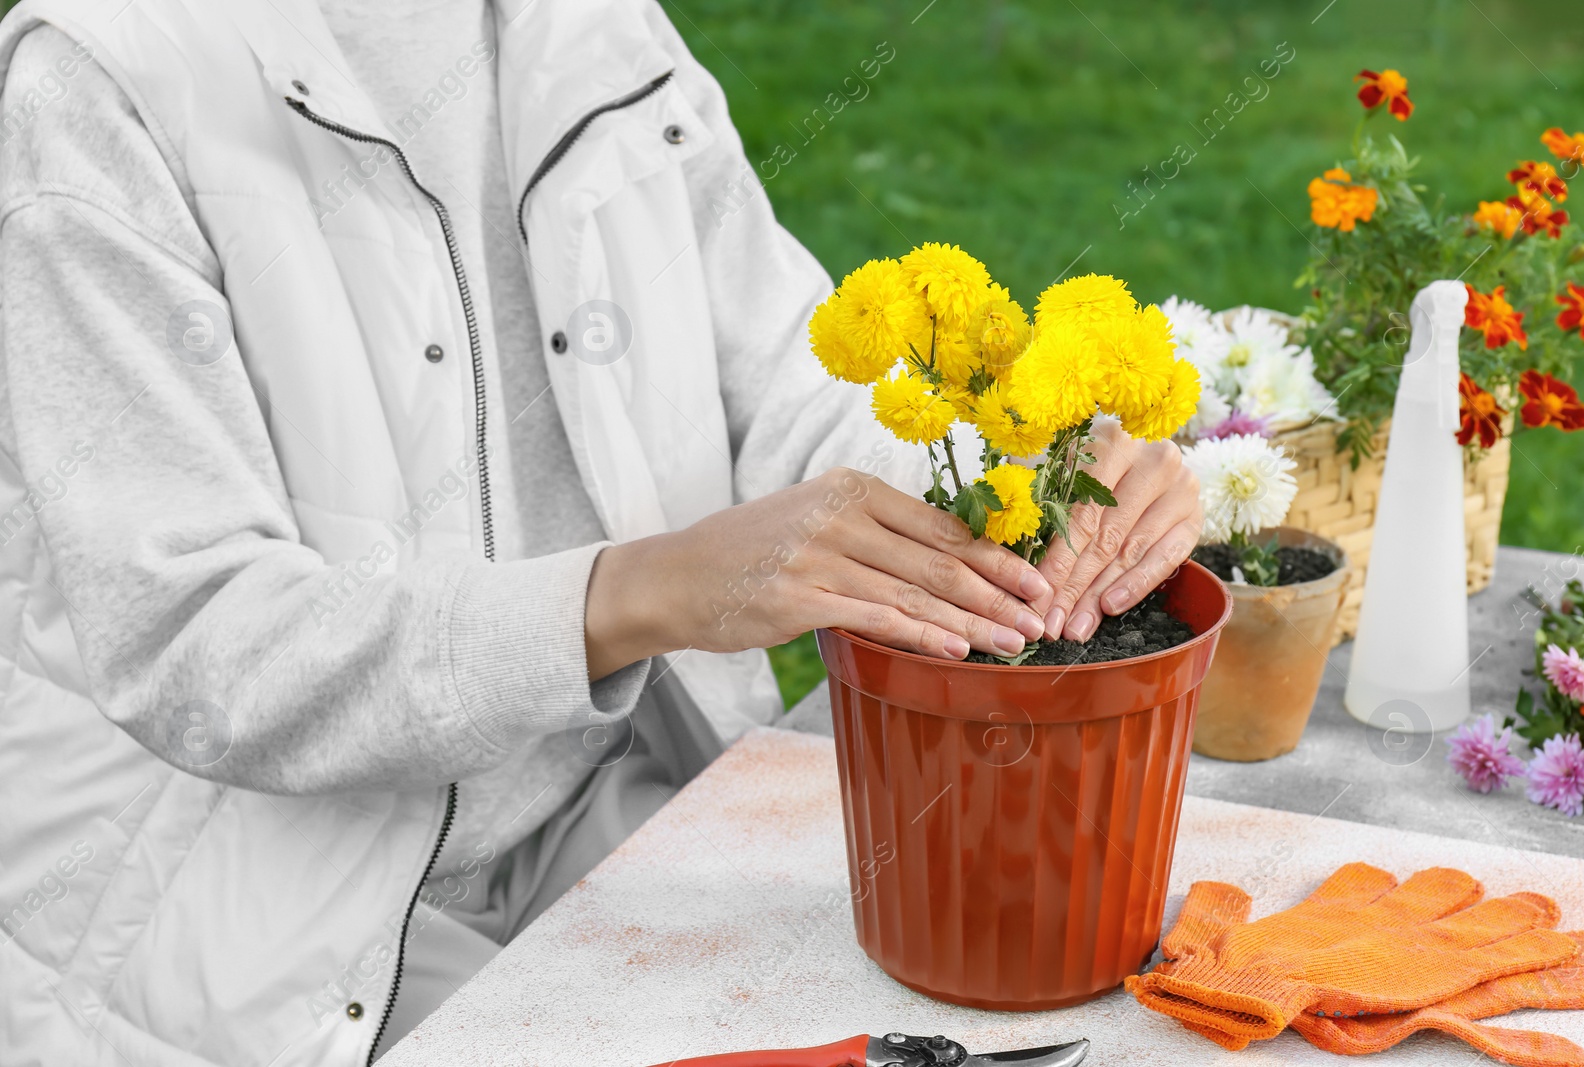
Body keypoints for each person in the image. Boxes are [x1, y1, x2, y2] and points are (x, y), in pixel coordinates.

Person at [0, 1, 1200, 1063]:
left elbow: (789, 381)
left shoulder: (592, 29)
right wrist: (641, 592)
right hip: (275, 926)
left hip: (617, 803)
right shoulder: (109, 79)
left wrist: (1037, 486)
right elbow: (201, 648)